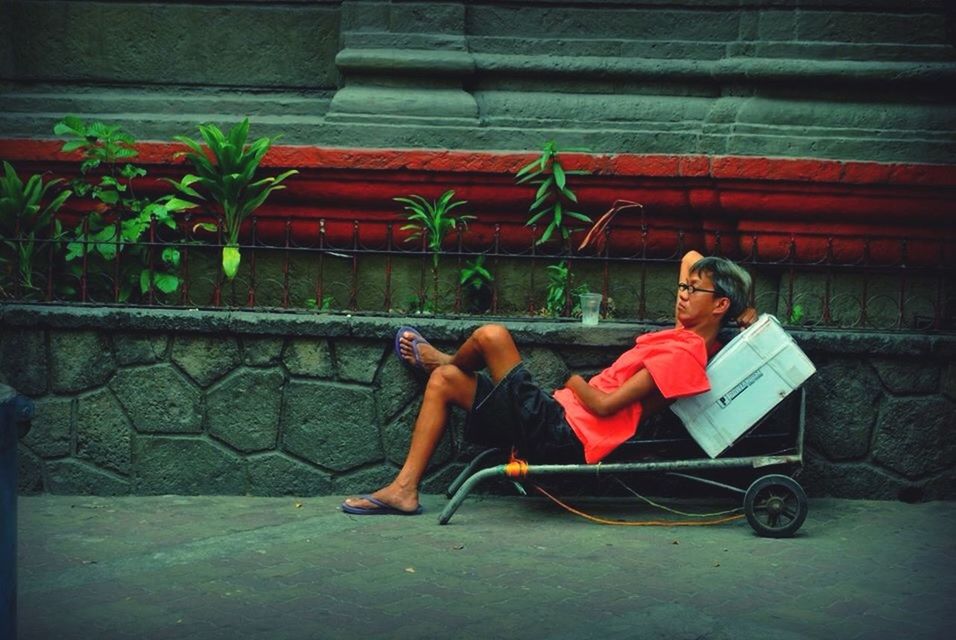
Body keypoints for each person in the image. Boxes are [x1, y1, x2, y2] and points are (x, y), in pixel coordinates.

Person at [341, 250, 755, 515]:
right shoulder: (686, 334)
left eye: (692, 291)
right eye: (682, 288)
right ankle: (404, 489)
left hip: (565, 435)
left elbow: (606, 408)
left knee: (492, 336)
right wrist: (741, 305)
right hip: (555, 421)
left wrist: (574, 381)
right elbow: (689, 257)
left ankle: (442, 358)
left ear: (717, 304)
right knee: (447, 382)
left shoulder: (683, 354)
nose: (681, 294)